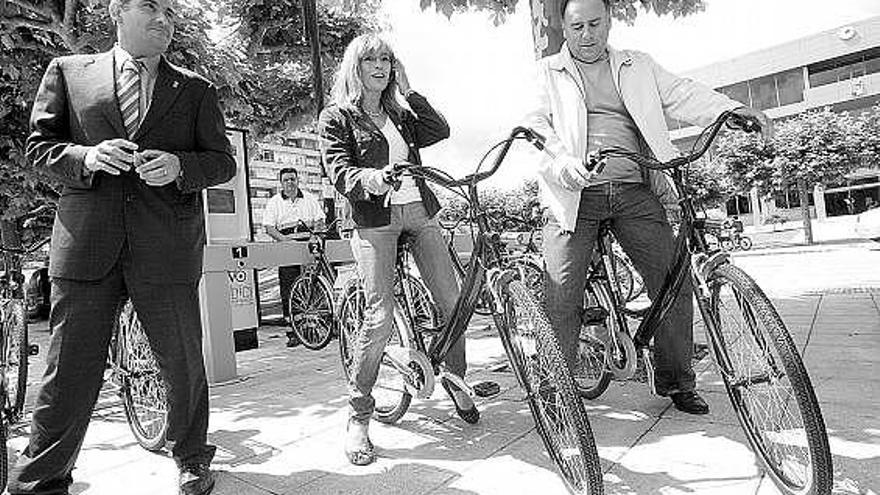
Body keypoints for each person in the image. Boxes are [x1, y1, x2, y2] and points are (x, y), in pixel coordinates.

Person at [9, 0, 236, 494]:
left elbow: (222, 163)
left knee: (182, 364)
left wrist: (181, 167)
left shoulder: (196, 89)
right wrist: (87, 155)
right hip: (87, 244)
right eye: (151, 7)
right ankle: (41, 477)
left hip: (166, 247)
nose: (164, 19)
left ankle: (193, 457)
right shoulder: (68, 72)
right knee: (67, 369)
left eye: (171, 13)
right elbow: (38, 148)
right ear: (117, 11)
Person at [525, 0, 772, 415]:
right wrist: (567, 166)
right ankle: (556, 394)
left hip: (633, 187)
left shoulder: (636, 65)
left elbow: (681, 93)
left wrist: (728, 111)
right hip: (573, 195)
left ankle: (676, 381)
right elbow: (536, 126)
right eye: (577, 26)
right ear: (563, 29)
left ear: (609, 22)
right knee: (562, 294)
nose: (587, 34)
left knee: (673, 280)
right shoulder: (547, 72)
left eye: (595, 24)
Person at [319, 33, 477, 466]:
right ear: (356, 66)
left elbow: (440, 130)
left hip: (419, 212)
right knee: (379, 316)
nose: (380, 65)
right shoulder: (336, 117)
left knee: (453, 302)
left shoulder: (400, 113)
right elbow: (339, 170)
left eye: (386, 59)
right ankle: (359, 416)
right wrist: (372, 179)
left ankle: (456, 380)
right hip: (375, 219)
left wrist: (408, 90)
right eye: (371, 59)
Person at [262, 167, 326, 347]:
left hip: (308, 248)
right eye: (286, 180)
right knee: (289, 291)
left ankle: (316, 329)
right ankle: (293, 332)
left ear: (298, 180)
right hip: (287, 251)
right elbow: (269, 227)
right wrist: (285, 241)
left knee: (313, 288)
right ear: (281, 183)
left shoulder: (310, 199)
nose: (290, 183)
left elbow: (320, 219)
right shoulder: (275, 202)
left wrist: (316, 235)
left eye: (292, 179)